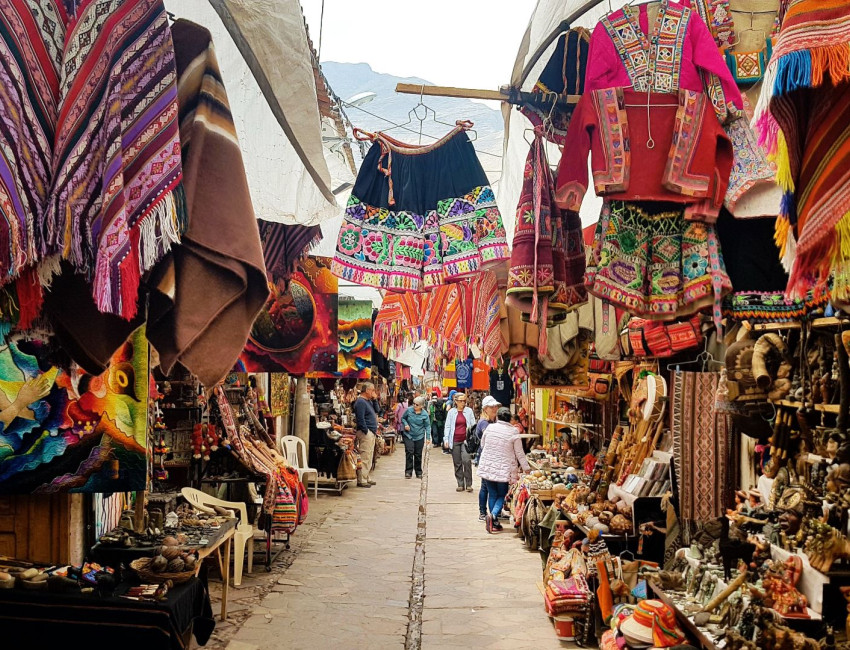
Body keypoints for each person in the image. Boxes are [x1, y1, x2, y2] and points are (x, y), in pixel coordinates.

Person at [478, 407, 531, 533]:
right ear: (510, 419)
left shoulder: (490, 428)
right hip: (503, 469)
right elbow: (520, 453)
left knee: (492, 494)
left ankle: (494, 522)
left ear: (498, 417)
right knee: (502, 494)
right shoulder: (513, 432)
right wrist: (526, 468)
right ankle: (493, 516)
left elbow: (482, 444)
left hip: (488, 466)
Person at [474, 396, 501, 520]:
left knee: (492, 485)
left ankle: (494, 511)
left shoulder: (494, 422)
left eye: (495, 406)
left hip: (494, 458)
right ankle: (483, 512)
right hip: (485, 458)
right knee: (485, 485)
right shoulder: (484, 423)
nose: (495, 408)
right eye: (492, 407)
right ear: (485, 409)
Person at [444, 392, 476, 492]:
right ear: (456, 401)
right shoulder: (451, 412)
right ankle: (460, 483)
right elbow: (448, 426)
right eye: (461, 401)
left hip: (466, 441)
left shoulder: (469, 411)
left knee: (466, 461)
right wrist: (446, 439)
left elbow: (473, 425)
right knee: (457, 462)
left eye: (464, 401)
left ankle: (469, 483)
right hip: (454, 440)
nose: (463, 403)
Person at [353, 382, 379, 488]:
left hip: (371, 431)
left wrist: (375, 399)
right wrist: (366, 430)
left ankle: (366, 476)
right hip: (366, 432)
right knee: (365, 456)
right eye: (372, 390)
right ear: (367, 390)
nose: (374, 393)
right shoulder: (360, 402)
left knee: (369, 456)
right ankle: (362, 479)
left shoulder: (368, 401)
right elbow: (360, 418)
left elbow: (377, 410)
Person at [401, 396, 431, 479]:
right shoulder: (409, 410)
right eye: (414, 404)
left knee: (418, 454)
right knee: (409, 452)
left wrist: (428, 438)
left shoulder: (424, 414)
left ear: (421, 406)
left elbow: (427, 426)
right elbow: (403, 418)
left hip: (419, 436)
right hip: (408, 435)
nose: (414, 406)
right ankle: (408, 471)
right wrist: (406, 424)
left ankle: (418, 471)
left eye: (417, 405)